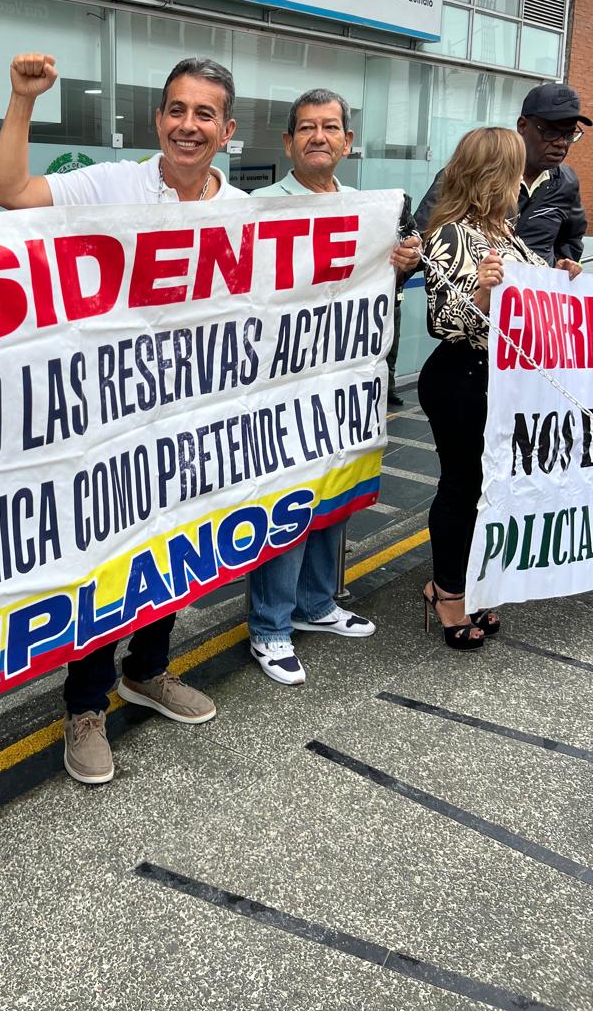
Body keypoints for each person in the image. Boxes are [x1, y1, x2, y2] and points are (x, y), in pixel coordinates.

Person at [0, 51, 246, 785]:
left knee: (171, 554)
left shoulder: (241, 212)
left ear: (226, 130)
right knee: (106, 563)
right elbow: (8, 189)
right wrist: (21, 100)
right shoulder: (112, 184)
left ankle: (149, 672)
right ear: (157, 119)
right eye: (176, 110)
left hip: (191, 423)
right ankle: (85, 703)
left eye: (204, 114)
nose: (187, 125)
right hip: (108, 423)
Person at [247, 89, 421, 685]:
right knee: (285, 504)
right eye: (305, 128)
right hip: (280, 392)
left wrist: (400, 263)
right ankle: (270, 626)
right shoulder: (258, 207)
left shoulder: (367, 209)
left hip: (346, 387)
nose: (318, 136)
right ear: (289, 142)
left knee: (334, 496)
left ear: (348, 141)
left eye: (330, 127)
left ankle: (317, 605)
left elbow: (384, 285)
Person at [418, 127, 582, 650]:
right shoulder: (451, 233)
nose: (522, 183)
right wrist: (485, 294)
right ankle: (446, 592)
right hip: (461, 377)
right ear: (492, 175)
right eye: (514, 172)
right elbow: (444, 320)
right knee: (462, 486)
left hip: (501, 382)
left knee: (490, 488)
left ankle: (470, 582)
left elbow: (535, 301)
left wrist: (561, 274)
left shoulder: (506, 235)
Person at [415, 83, 590, 267]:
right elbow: (422, 239)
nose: (561, 143)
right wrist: (409, 261)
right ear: (522, 126)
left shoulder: (566, 183)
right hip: (474, 291)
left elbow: (572, 237)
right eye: (552, 132)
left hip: (530, 294)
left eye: (569, 134)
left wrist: (558, 268)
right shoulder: (471, 173)